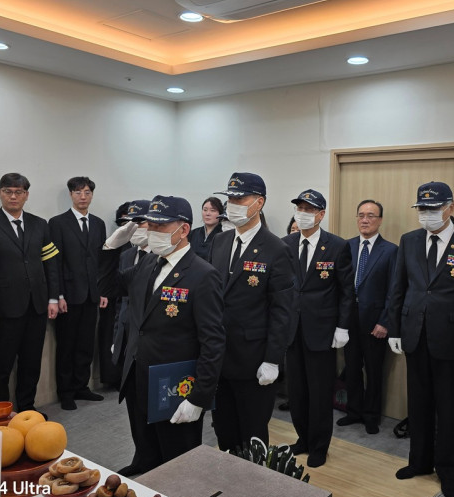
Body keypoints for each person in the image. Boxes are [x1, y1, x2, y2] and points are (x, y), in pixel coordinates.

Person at [101, 195, 225, 472]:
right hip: (138, 375)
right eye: (151, 225)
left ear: (183, 229)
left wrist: (199, 397)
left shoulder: (203, 274)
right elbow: (109, 286)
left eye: (161, 226)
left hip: (174, 384)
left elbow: (213, 342)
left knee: (177, 463)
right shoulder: (148, 263)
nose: (152, 232)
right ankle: (143, 466)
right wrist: (110, 248)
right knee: (145, 447)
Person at [387, 181, 454, 497]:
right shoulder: (409, 240)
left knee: (446, 409)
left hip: (451, 339)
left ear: (450, 208)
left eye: (433, 208)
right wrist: (394, 329)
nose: (427, 214)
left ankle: (447, 471)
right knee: (417, 404)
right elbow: (398, 288)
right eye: (422, 208)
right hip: (414, 335)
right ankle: (419, 462)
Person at [208, 172, 295, 451]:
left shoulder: (276, 248)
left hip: (254, 361)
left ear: (259, 203)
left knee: (253, 436)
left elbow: (282, 311)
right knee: (224, 432)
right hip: (219, 357)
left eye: (240, 199)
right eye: (230, 199)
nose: (232, 205)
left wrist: (272, 360)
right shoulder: (220, 242)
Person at [0, 173, 59, 414]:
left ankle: (27, 409)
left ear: (26, 195)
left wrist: (53, 297)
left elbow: (50, 264)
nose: (13, 196)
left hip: (36, 307)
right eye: (8, 191)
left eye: (18, 192)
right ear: (0, 193)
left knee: (31, 364)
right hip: (3, 309)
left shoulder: (40, 224)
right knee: (1, 366)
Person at [282, 189, 354, 467]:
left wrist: (342, 327)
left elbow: (346, 291)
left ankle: (319, 446)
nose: (302, 214)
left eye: (309, 209)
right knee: (297, 392)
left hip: (322, 332)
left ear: (321, 214)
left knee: (320, 393)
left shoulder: (337, 246)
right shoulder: (286, 243)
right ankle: (303, 438)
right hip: (292, 330)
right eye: (299, 208)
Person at [98, 199, 153, 476]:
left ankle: (157, 460)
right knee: (133, 405)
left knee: (152, 407)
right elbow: (115, 295)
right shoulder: (127, 255)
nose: (135, 228)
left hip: (152, 344)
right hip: (127, 338)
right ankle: (141, 456)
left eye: (141, 222)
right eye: (129, 224)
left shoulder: (161, 257)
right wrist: (117, 336)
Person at [338, 199, 398, 434]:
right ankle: (353, 411)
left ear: (380, 220)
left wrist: (385, 321)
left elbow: (394, 291)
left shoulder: (391, 250)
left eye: (371, 215)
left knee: (373, 371)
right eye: (361, 215)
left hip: (375, 324)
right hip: (348, 321)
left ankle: (371, 416)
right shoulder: (346, 246)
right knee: (351, 369)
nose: (365, 220)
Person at [48, 177, 107, 411]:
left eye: (87, 192)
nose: (83, 196)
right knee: (67, 345)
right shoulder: (57, 223)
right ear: (71, 195)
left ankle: (82, 386)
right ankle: (66, 392)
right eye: (78, 192)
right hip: (69, 295)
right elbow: (55, 262)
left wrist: (102, 291)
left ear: (92, 195)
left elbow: (101, 261)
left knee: (85, 344)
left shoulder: (99, 224)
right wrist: (59, 295)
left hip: (92, 294)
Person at [96, 201, 132, 390]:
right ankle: (112, 377)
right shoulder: (117, 242)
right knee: (110, 337)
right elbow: (106, 270)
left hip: (132, 299)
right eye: (124, 221)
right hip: (114, 297)